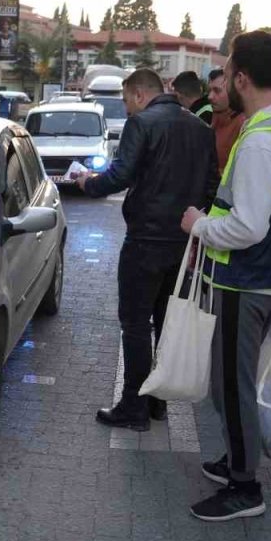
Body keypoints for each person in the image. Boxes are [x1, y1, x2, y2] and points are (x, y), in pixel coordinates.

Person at [179, 31, 271, 522]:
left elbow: (248, 225)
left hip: (247, 279)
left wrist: (200, 227)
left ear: (240, 77)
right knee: (228, 381)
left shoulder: (260, 141)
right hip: (265, 276)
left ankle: (245, 487)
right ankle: (236, 461)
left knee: (231, 386)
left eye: (228, 71)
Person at [74, 69, 219, 429]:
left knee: (135, 325)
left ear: (140, 94)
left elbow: (119, 176)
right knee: (165, 325)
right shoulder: (201, 129)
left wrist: (87, 183)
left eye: (125, 101)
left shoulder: (142, 124)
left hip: (145, 242)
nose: (125, 109)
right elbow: (213, 185)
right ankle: (156, 402)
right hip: (182, 243)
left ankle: (133, 408)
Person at [207, 68, 247, 174]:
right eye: (209, 91)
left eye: (217, 90)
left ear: (231, 89)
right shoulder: (215, 119)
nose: (210, 96)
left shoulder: (242, 125)